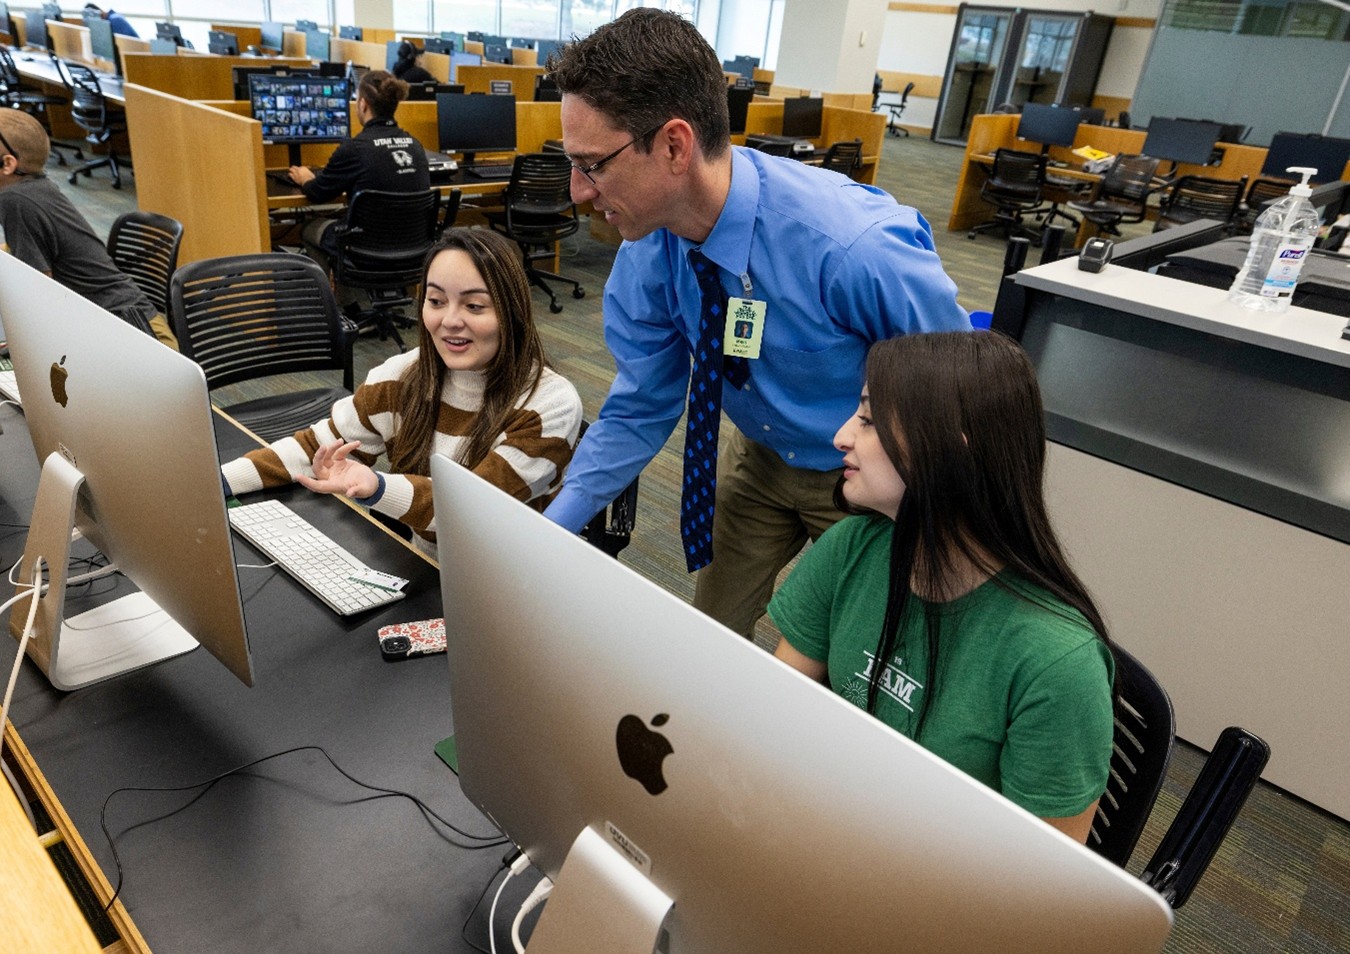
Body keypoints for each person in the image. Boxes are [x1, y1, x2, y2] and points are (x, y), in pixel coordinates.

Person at [542, 9, 969, 637]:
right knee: (711, 640)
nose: (578, 191)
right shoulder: (648, 253)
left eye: (593, 165)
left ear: (674, 147)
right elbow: (640, 407)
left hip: (874, 476)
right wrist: (551, 527)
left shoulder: (852, 248)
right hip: (761, 451)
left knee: (857, 662)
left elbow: (959, 399)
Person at [768, 331, 1115, 842]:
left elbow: (1041, 889)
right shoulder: (853, 548)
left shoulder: (1056, 662)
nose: (842, 436)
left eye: (867, 420)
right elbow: (774, 712)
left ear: (948, 452)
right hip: (835, 832)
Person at [220, 228, 583, 551]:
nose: (450, 321)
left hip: (508, 583)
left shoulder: (549, 403)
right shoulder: (403, 375)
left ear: (513, 312)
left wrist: (377, 486)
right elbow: (315, 447)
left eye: (474, 306)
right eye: (436, 301)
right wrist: (217, 482)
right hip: (428, 567)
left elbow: (469, 513)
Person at [0, 107, 177, 346]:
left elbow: (37, 284)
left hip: (139, 339)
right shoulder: (36, 187)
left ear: (7, 163)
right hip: (127, 323)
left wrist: (27, 340)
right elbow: (19, 251)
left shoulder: (13, 200)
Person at [292, 70, 431, 276]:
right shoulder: (416, 145)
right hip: (412, 248)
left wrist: (306, 178)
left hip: (363, 250)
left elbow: (318, 193)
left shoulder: (354, 148)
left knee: (309, 228)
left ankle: (332, 299)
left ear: (363, 104)